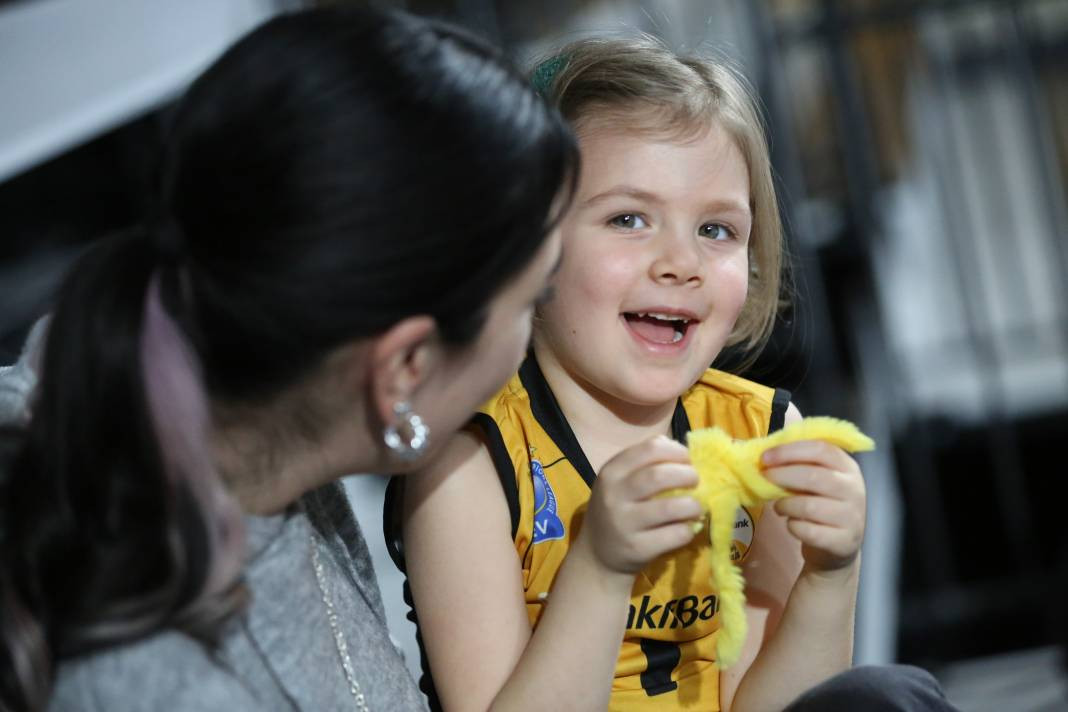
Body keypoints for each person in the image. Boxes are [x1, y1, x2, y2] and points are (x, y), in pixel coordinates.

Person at [0, 6, 577, 711]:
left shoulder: (232, 400)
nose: (540, 325)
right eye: (531, 299)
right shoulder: (166, 688)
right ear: (402, 370)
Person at [397, 36, 957, 712]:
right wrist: (601, 567)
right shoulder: (470, 460)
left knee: (886, 695)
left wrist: (829, 577)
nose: (681, 262)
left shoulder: (765, 433)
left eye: (717, 231)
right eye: (629, 219)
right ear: (527, 247)